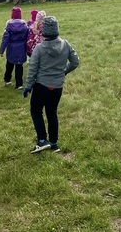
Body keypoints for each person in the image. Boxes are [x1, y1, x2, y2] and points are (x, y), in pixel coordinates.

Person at [23, 16, 79, 154]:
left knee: (36, 111)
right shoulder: (65, 44)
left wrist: (28, 86)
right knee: (52, 112)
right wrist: (63, 72)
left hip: (41, 86)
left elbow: (32, 69)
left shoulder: (39, 48)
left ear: (44, 31)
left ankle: (42, 141)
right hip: (57, 87)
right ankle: (54, 143)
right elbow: (75, 61)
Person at [0, 6, 29, 89]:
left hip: (11, 49)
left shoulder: (9, 26)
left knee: (9, 65)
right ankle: (19, 84)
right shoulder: (25, 26)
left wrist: (1, 50)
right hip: (21, 49)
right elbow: (28, 37)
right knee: (19, 66)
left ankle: (7, 79)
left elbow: (5, 39)